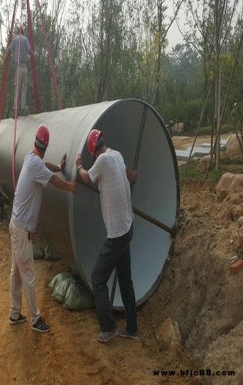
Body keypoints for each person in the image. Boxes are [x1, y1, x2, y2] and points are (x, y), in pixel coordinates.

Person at [9, 124, 76, 333]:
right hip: (21, 231)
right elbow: (55, 181)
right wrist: (71, 187)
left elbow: (45, 166)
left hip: (15, 225)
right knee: (28, 275)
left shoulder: (31, 158)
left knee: (16, 274)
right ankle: (36, 319)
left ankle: (14, 313)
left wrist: (58, 165)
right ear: (45, 145)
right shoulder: (35, 164)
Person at [75, 129, 138, 343]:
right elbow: (127, 176)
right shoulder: (117, 154)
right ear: (103, 142)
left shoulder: (101, 161)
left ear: (93, 152)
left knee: (97, 279)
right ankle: (131, 328)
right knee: (125, 279)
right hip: (128, 228)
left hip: (117, 235)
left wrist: (78, 166)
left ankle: (108, 327)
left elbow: (86, 178)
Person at [5, 26, 35, 116]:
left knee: (17, 88)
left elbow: (9, 51)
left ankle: (15, 109)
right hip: (24, 67)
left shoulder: (15, 40)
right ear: (23, 32)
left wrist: (5, 59)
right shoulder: (25, 39)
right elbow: (30, 51)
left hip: (18, 67)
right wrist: (35, 58)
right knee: (23, 88)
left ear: (18, 32)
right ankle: (23, 108)